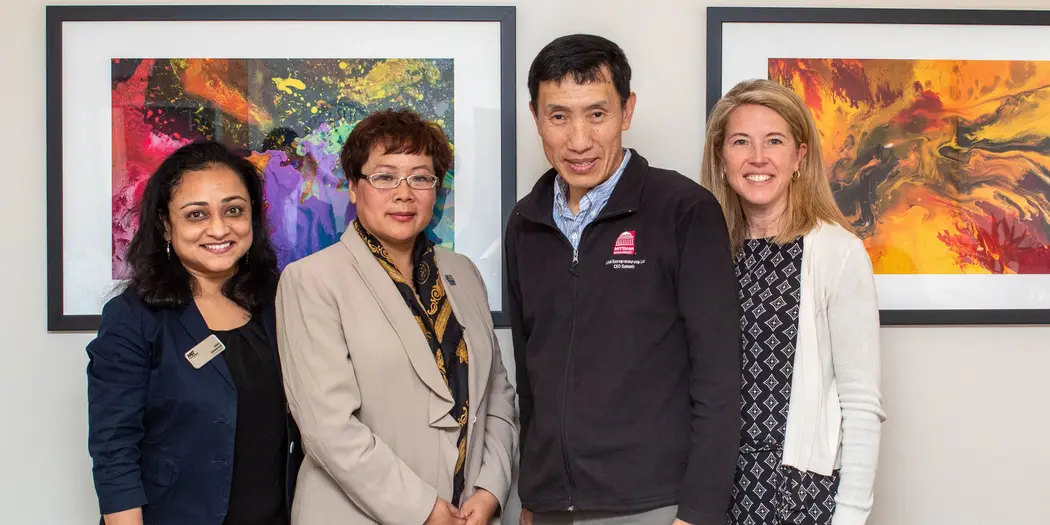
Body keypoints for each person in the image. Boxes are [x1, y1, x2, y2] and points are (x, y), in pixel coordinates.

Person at [506, 34, 742, 525]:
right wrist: (532, 493)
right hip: (550, 506)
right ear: (535, 116)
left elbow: (718, 380)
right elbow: (532, 376)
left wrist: (699, 512)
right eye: (558, 116)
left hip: (657, 506)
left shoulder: (683, 211)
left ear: (626, 111)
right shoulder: (525, 222)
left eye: (597, 113)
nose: (578, 140)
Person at [275, 108, 517, 525]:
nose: (404, 193)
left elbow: (497, 393)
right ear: (353, 187)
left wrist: (490, 489)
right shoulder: (312, 280)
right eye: (384, 177)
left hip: (467, 513)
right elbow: (327, 427)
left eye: (420, 177)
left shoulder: (462, 272)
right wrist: (422, 510)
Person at [86, 140, 303, 525]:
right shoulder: (133, 317)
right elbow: (114, 450)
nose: (219, 228)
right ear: (166, 225)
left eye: (233, 210)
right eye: (196, 215)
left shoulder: (280, 302)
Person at [699, 78, 886, 525]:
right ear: (722, 158)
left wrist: (851, 516)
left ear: (799, 157)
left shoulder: (836, 252)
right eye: (741, 141)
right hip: (709, 487)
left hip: (797, 492)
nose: (757, 158)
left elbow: (861, 404)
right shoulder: (705, 251)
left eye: (774, 141)